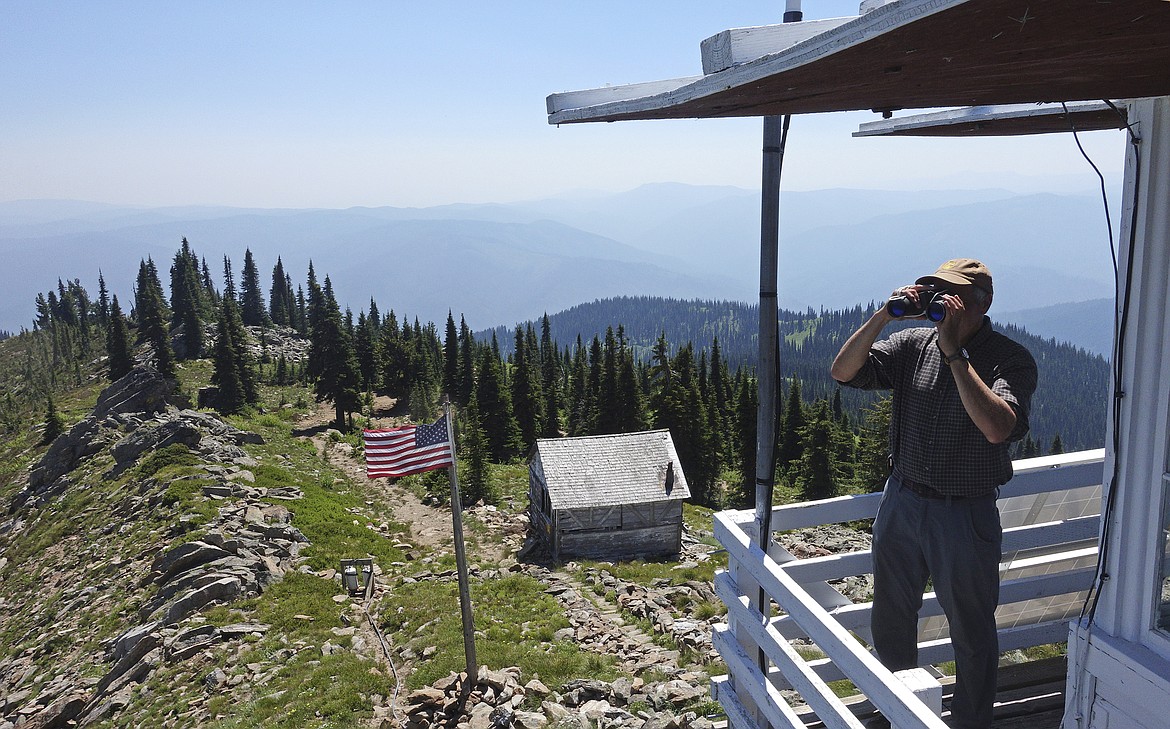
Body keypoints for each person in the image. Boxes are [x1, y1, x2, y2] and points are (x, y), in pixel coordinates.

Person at [830, 258, 1037, 729]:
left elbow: (998, 427)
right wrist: (886, 315)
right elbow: (843, 372)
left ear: (981, 305)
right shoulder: (910, 344)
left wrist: (955, 357)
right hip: (903, 499)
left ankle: (969, 722)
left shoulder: (1009, 358)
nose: (941, 300)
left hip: (964, 514)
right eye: (934, 291)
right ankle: (901, 711)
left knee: (971, 631)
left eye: (952, 295)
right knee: (891, 617)